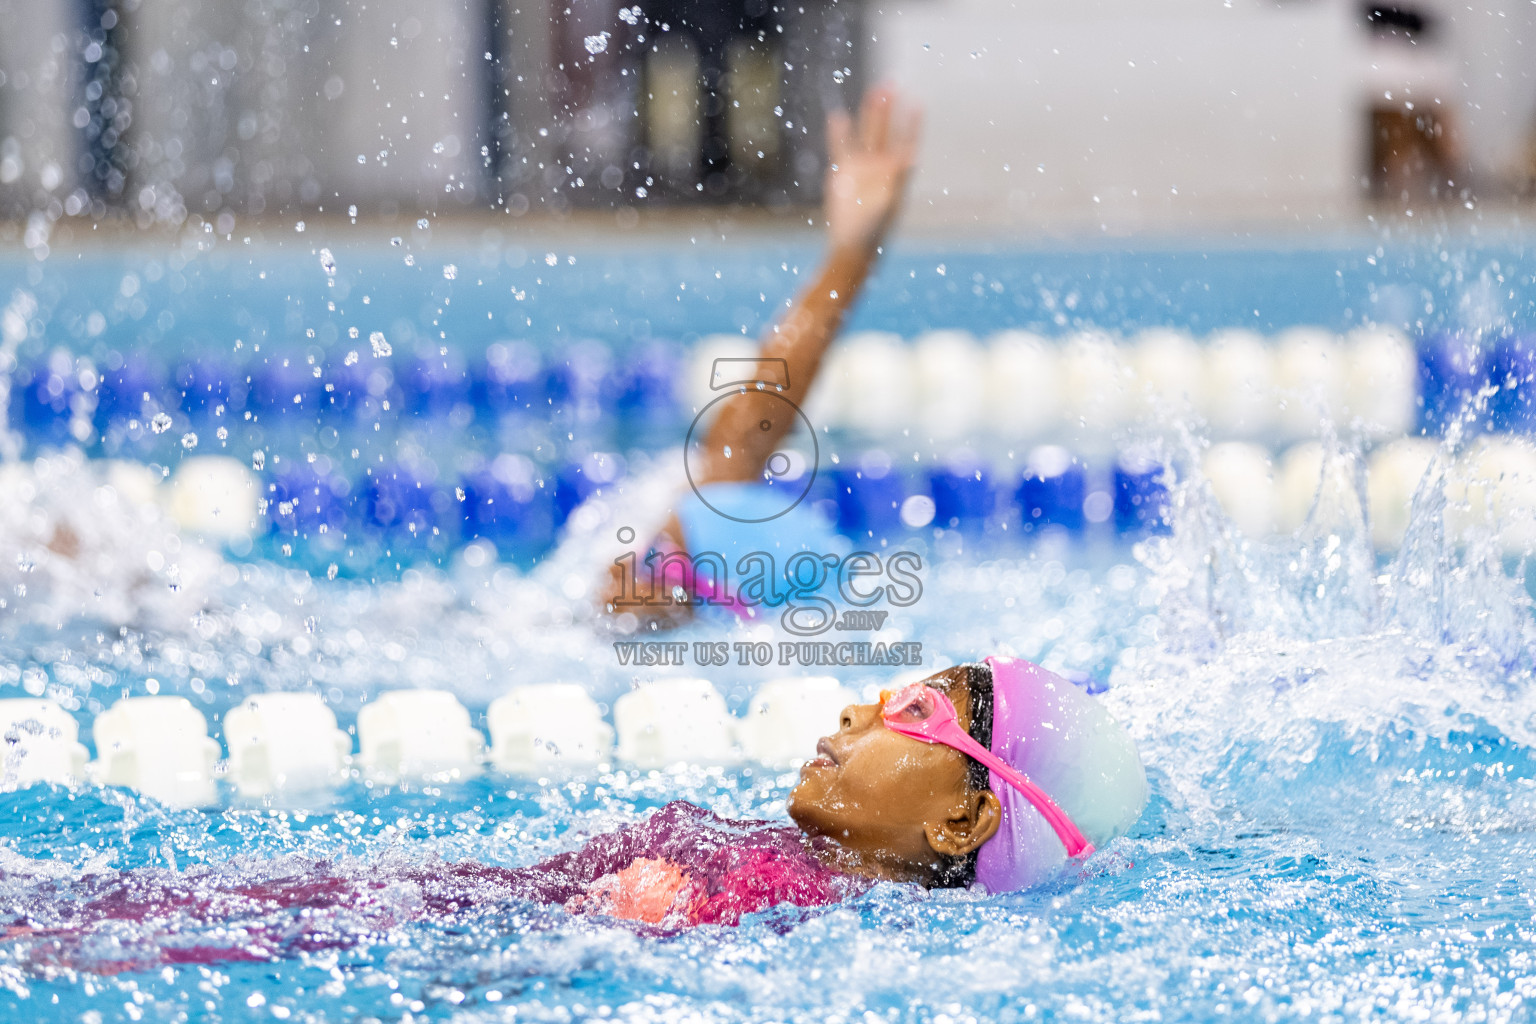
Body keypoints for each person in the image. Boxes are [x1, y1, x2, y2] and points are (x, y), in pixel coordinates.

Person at [2, 656, 1145, 971]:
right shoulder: (790, 867)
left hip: (402, 934)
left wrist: (619, 928)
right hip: (420, 904)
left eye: (912, 707)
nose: (856, 706)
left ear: (962, 819)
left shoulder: (793, 897)